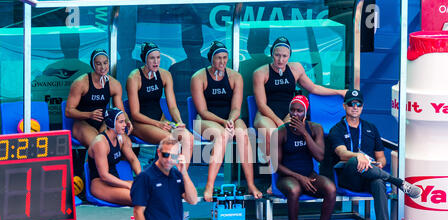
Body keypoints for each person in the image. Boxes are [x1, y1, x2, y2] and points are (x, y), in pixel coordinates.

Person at [328, 89, 422, 220]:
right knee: (353, 160)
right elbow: (341, 153)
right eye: (351, 104)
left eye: (359, 104)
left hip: (370, 175)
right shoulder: (337, 129)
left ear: (363, 107)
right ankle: (398, 182)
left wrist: (376, 164)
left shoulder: (371, 128)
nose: (355, 107)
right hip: (348, 177)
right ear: (344, 106)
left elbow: (382, 158)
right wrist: (358, 156)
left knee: (378, 182)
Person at [252, 36, 346, 193]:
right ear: (271, 54)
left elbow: (314, 88)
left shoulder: (296, 69)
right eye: (277, 55)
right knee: (270, 133)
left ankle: (297, 174)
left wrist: (339, 91)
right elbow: (261, 104)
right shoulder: (260, 73)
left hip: (290, 112)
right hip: (266, 113)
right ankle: (273, 180)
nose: (280, 59)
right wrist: (279, 123)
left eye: (284, 56)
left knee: (299, 130)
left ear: (289, 56)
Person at [190, 41, 262, 201]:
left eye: (225, 57)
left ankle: (250, 184)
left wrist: (230, 119)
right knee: (222, 135)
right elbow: (202, 110)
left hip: (229, 116)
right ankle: (210, 185)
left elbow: (236, 107)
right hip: (206, 118)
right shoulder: (199, 77)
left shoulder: (235, 77)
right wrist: (223, 122)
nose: (222, 62)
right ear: (211, 59)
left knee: (244, 134)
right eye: (218, 58)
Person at [274, 95, 336, 220]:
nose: (295, 114)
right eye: (292, 111)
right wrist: (299, 177)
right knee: (294, 190)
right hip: (287, 176)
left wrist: (305, 133)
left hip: (309, 175)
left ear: (305, 113)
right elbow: (275, 165)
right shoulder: (280, 132)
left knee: (331, 188)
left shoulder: (315, 128)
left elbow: (320, 156)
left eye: (299, 111)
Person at [126, 42, 193, 169]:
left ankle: (180, 176)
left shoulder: (165, 75)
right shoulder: (134, 78)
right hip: (140, 124)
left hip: (160, 121)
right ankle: (163, 176)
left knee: (188, 137)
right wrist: (159, 124)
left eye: (158, 57)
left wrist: (179, 122)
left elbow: (172, 106)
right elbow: (135, 114)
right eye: (152, 58)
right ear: (144, 59)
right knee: (170, 139)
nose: (156, 61)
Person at [66, 49, 132, 147]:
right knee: (99, 146)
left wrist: (127, 121)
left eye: (105, 63)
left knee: (124, 143)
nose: (103, 67)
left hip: (103, 123)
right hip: (82, 123)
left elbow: (120, 109)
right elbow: (68, 111)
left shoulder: (114, 84)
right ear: (93, 65)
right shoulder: (81, 83)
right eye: (98, 64)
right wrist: (89, 115)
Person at [87, 107, 141, 206]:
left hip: (115, 181)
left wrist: (141, 177)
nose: (125, 125)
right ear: (111, 123)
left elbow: (133, 159)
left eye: (124, 121)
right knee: (138, 196)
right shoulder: (101, 143)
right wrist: (127, 185)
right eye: (121, 122)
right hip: (99, 184)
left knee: (150, 190)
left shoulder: (121, 138)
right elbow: (104, 175)